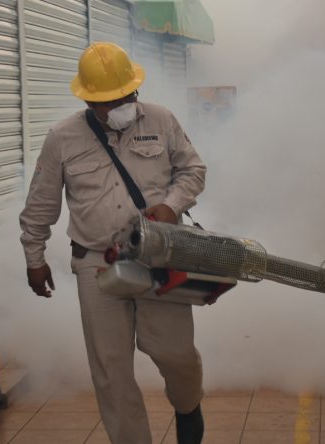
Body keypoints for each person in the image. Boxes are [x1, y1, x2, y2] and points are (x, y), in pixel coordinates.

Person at [19, 42, 207, 444]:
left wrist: (172, 206)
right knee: (111, 370)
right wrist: (34, 257)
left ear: (135, 89)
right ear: (88, 99)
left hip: (157, 256)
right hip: (96, 263)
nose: (121, 104)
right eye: (109, 100)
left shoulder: (162, 119)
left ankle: (188, 405)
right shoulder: (62, 138)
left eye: (127, 95)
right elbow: (40, 205)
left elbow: (193, 170)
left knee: (175, 353)